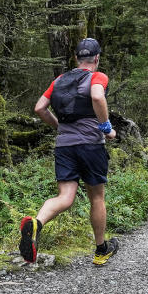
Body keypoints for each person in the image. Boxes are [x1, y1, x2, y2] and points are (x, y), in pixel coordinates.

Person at [20, 37, 120, 266]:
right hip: (90, 145)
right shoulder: (98, 76)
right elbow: (96, 95)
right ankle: (100, 250)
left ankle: (36, 223)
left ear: (76, 58)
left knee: (65, 197)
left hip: (64, 146)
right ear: (96, 58)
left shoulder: (59, 80)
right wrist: (106, 128)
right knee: (96, 197)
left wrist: (60, 128)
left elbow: (39, 108)